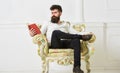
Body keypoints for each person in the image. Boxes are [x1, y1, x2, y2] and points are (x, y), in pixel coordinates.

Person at [29, 5, 92, 73]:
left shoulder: (66, 24)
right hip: (55, 43)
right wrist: (32, 34)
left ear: (60, 13)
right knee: (56, 32)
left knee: (76, 40)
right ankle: (81, 37)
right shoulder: (47, 23)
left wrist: (87, 33)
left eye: (55, 12)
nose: (53, 14)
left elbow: (75, 33)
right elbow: (40, 33)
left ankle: (76, 68)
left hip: (66, 42)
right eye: (52, 13)